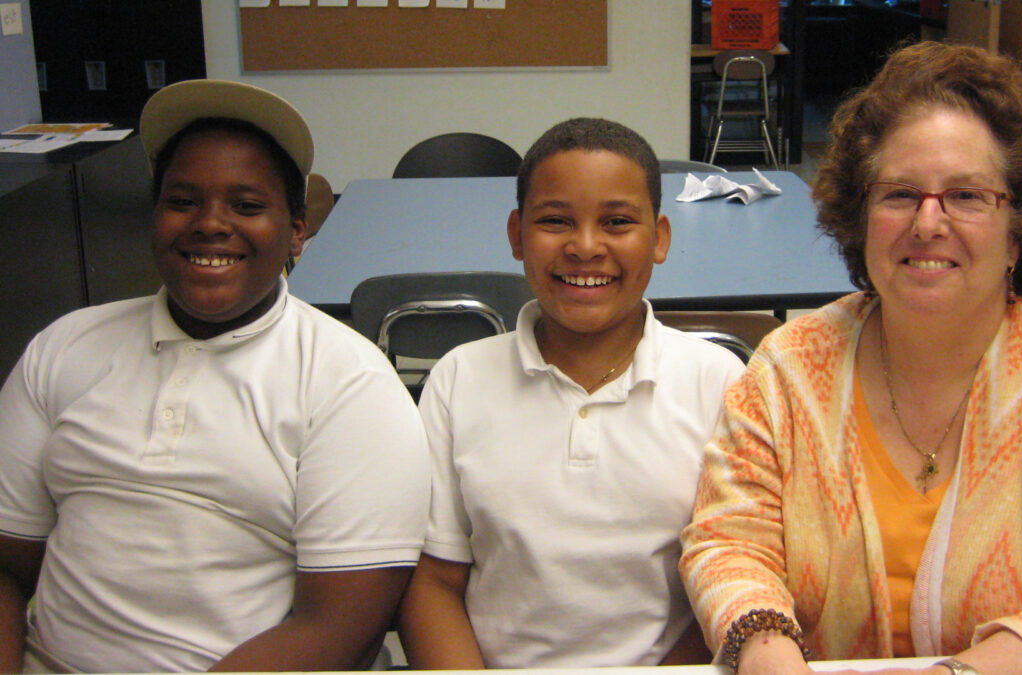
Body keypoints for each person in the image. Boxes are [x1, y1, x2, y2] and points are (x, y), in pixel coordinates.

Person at [679, 41, 1022, 675]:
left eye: (967, 196)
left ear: (1018, 232)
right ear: (860, 216)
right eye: (900, 194)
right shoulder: (790, 366)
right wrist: (766, 649)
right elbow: (727, 541)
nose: (928, 223)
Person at [0, 79, 431, 673]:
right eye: (182, 201)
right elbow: (7, 565)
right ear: (153, 217)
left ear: (296, 231)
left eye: (247, 206)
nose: (210, 224)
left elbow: (338, 627)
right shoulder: (63, 348)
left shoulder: (348, 382)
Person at [397, 118, 745, 668]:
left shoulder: (717, 382)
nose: (585, 247)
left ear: (659, 239)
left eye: (617, 222)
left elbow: (737, 576)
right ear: (516, 235)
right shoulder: (459, 379)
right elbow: (434, 581)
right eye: (555, 221)